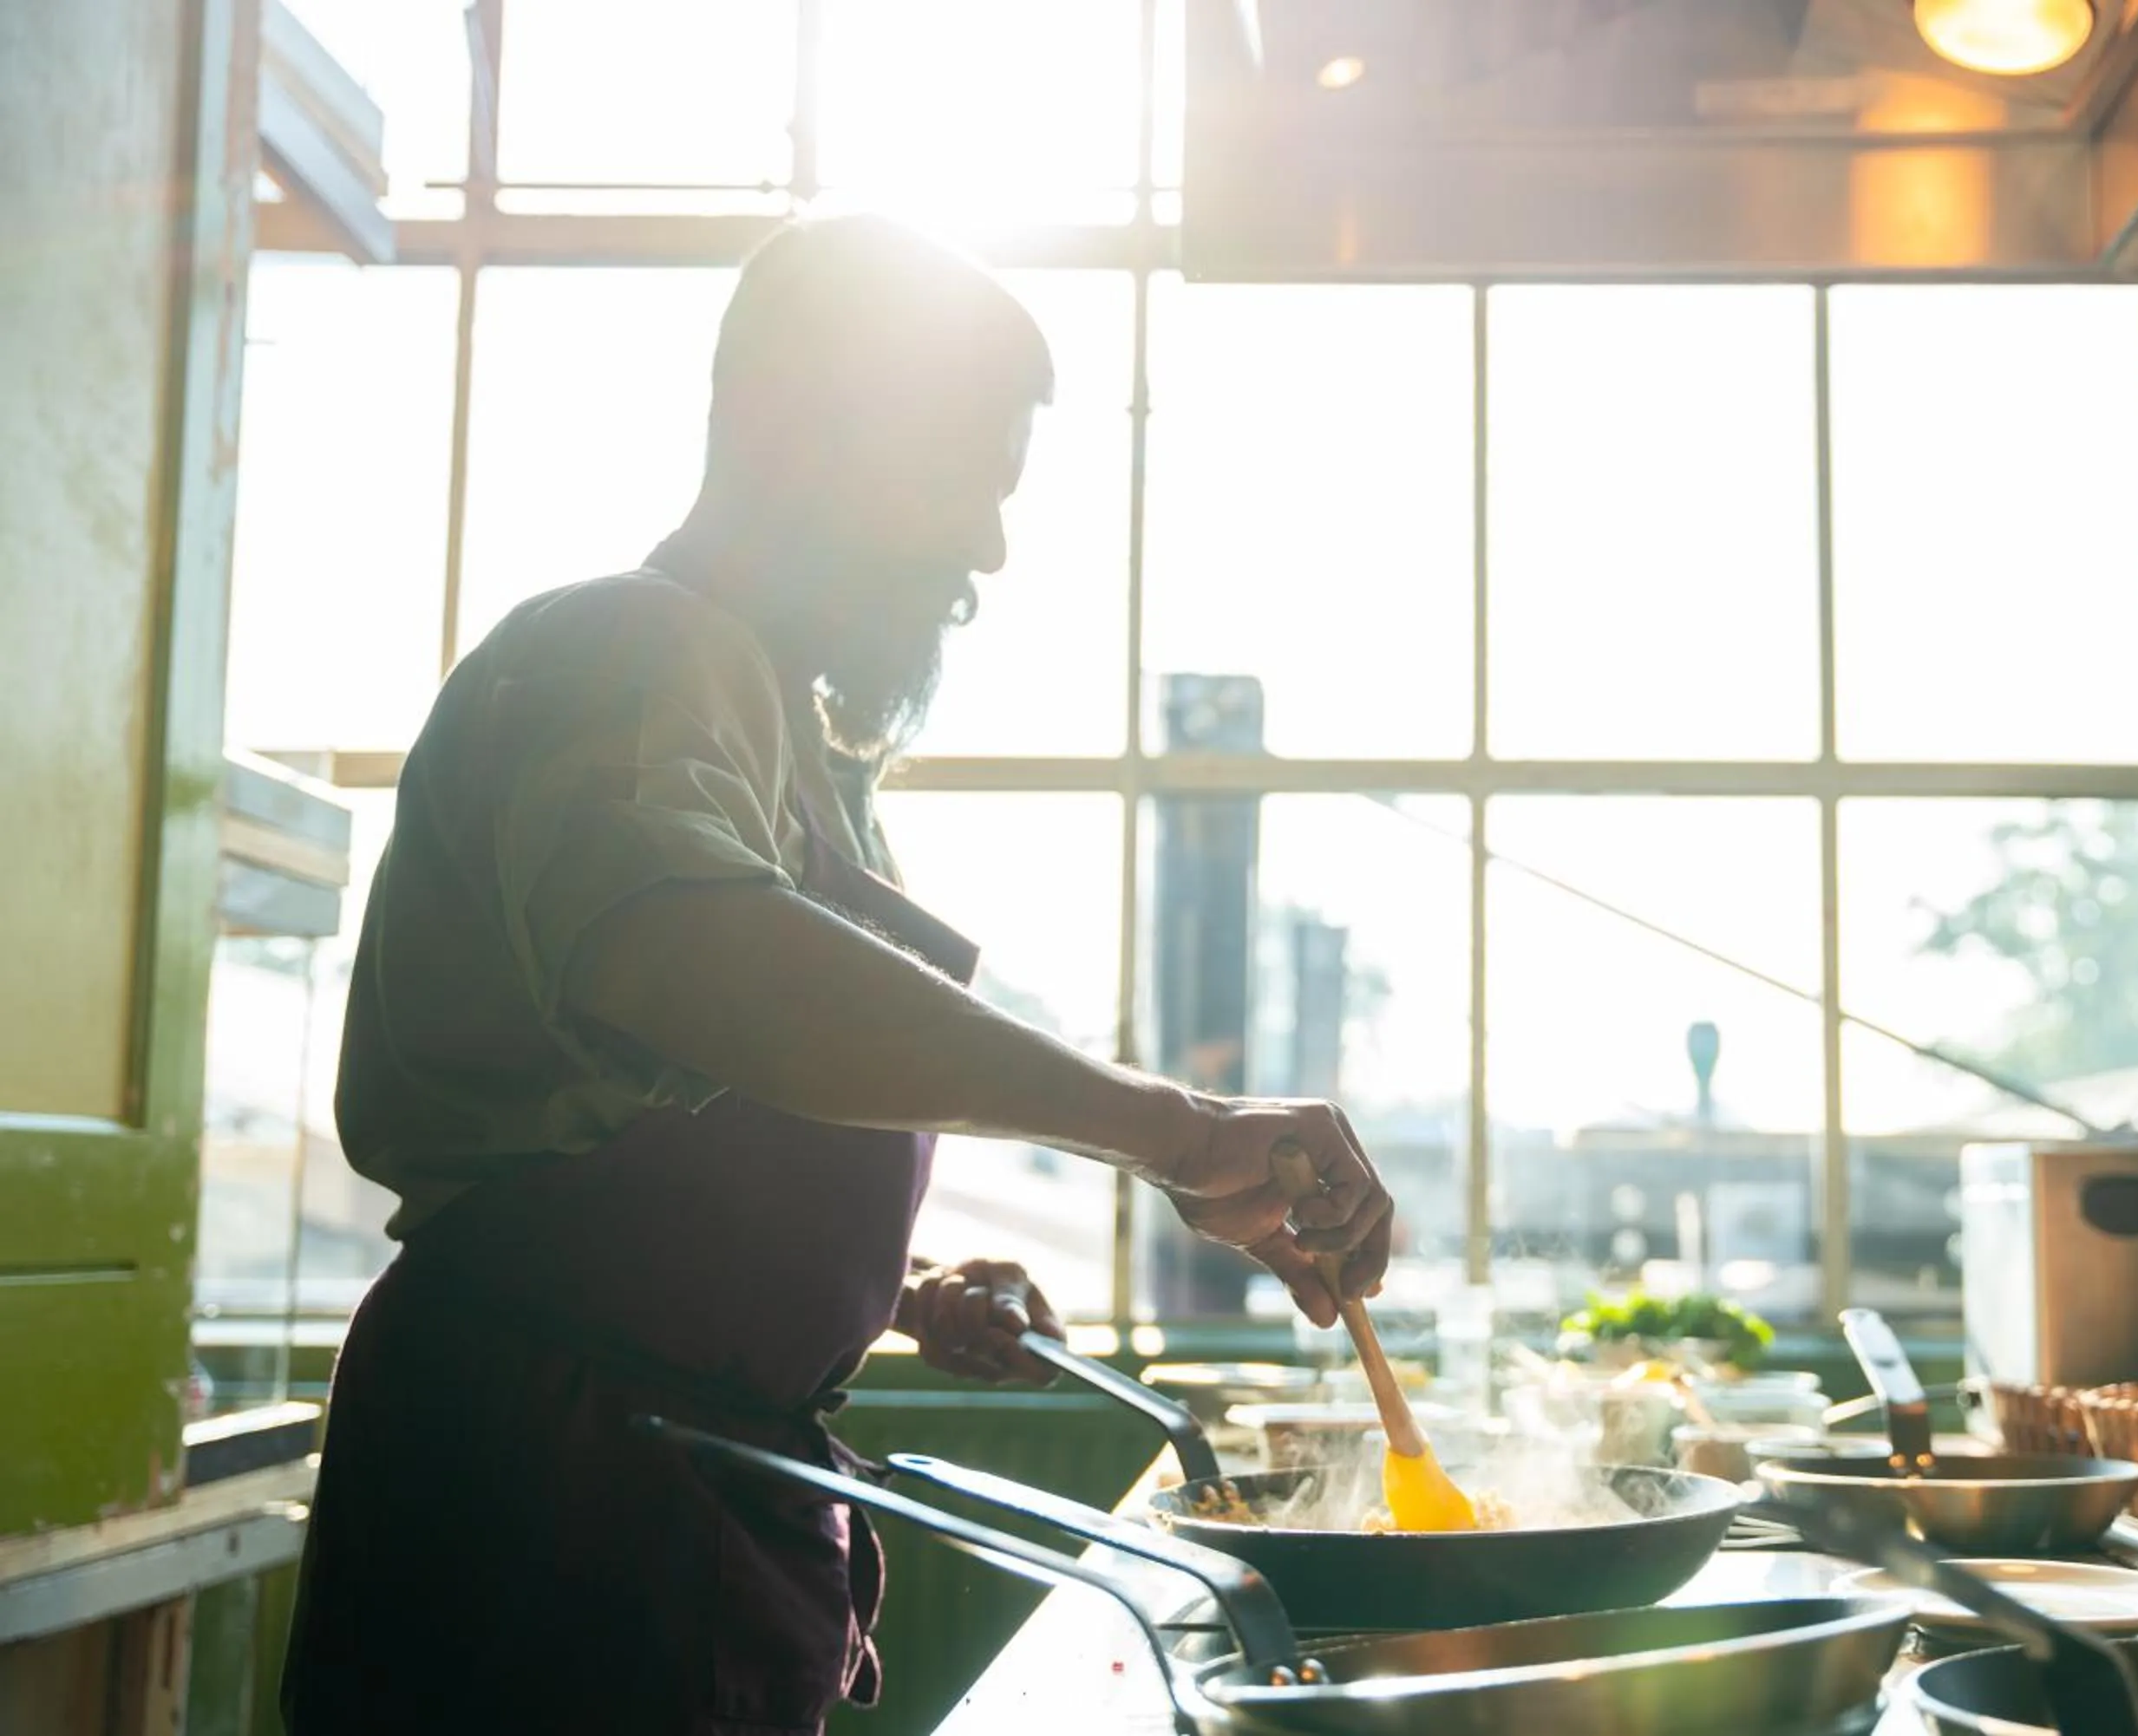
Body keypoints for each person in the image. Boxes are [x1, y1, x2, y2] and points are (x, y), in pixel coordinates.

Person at [280, 216, 1395, 1736]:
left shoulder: (784, 734)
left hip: (680, 1483)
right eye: (962, 482)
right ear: (792, 430)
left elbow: (662, 1138)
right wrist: (1176, 1132)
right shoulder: (623, 651)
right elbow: (702, 960)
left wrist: (891, 1296)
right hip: (547, 1506)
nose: (987, 551)